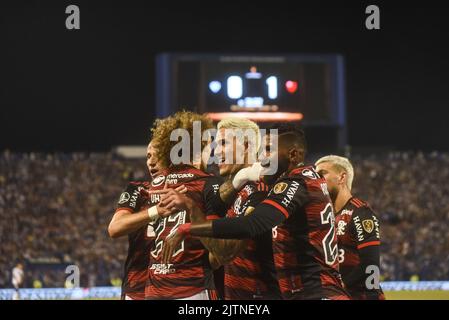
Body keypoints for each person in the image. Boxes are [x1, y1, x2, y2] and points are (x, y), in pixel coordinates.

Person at [155, 124, 349, 300]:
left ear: (293, 155)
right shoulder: (302, 180)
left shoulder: (295, 183)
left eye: (269, 150)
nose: (263, 157)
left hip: (315, 293)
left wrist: (187, 228)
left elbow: (251, 225)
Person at [188, 117, 280, 300]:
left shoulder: (260, 189)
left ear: (246, 145)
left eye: (223, 143)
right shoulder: (237, 192)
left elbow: (223, 254)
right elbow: (214, 259)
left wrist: (192, 210)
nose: (217, 152)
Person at [144, 111, 223, 300]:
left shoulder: (155, 184)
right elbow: (217, 252)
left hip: (155, 287)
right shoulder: (209, 183)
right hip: (192, 287)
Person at [315, 155, 385, 300]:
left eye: (322, 174)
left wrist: (340, 286)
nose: (316, 180)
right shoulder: (322, 215)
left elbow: (371, 265)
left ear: (342, 178)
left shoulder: (360, 213)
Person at [108, 140, 166, 300]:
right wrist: (155, 211)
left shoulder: (188, 190)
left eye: (158, 155)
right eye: (148, 156)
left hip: (176, 287)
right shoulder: (138, 190)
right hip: (138, 289)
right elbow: (115, 228)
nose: (151, 162)